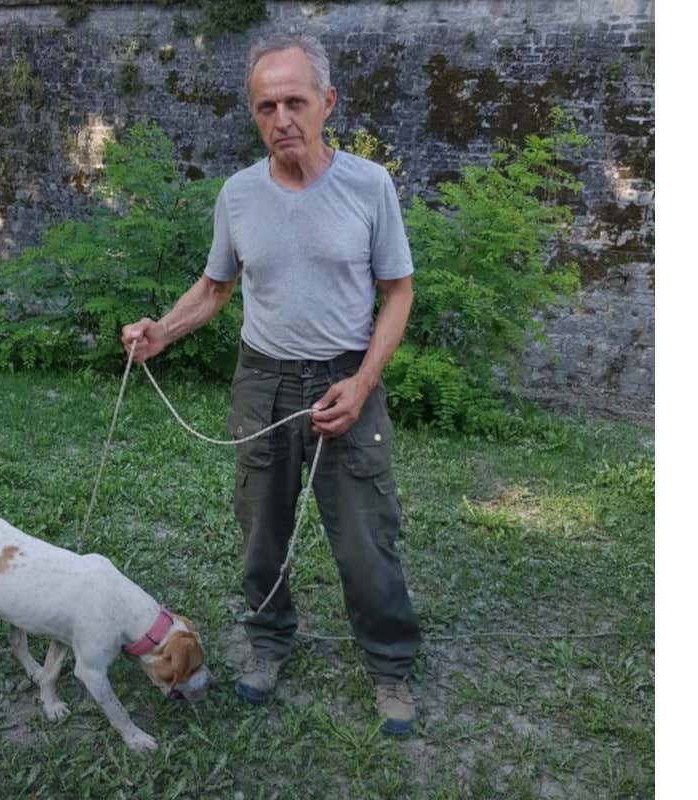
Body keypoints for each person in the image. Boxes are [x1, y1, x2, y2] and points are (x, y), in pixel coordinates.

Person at [120, 33, 422, 735]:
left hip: (347, 380)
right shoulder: (238, 196)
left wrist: (362, 380)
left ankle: (390, 665)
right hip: (263, 382)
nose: (281, 118)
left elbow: (399, 293)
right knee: (261, 532)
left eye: (295, 101)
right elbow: (215, 286)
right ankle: (266, 644)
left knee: (366, 535)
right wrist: (162, 331)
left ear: (327, 103)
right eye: (265, 106)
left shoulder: (370, 187)